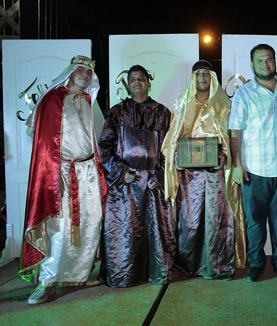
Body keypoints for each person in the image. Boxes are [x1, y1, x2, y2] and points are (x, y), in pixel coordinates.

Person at [19, 55, 108, 305]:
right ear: (70, 72)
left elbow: (98, 139)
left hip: (88, 172)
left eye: (89, 72)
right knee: (59, 228)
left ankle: (77, 275)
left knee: (91, 224)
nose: (85, 75)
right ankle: (47, 282)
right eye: (80, 70)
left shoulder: (90, 101)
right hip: (60, 175)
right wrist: (51, 172)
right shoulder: (52, 99)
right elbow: (39, 137)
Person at [161, 60, 246, 280]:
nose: (201, 78)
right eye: (197, 74)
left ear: (212, 78)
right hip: (189, 175)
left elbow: (230, 136)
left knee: (217, 218)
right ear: (192, 78)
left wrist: (226, 157)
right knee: (190, 219)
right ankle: (190, 265)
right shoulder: (182, 103)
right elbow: (173, 136)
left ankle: (217, 265)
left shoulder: (223, 103)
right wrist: (176, 158)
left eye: (206, 74)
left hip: (217, 171)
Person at [98, 64, 175, 288]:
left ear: (149, 83)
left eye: (141, 78)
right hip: (125, 184)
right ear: (128, 84)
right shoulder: (116, 112)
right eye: (133, 79)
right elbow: (104, 147)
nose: (137, 82)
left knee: (156, 231)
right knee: (126, 231)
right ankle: (125, 275)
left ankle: (157, 272)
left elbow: (171, 149)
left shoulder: (163, 113)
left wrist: (160, 175)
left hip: (153, 185)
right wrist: (121, 172)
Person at [228, 43, 277, 282]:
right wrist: (237, 165)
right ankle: (256, 264)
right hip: (254, 171)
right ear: (251, 64)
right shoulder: (244, 93)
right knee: (255, 222)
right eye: (259, 61)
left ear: (274, 61)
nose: (265, 64)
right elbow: (235, 131)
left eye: (268, 59)